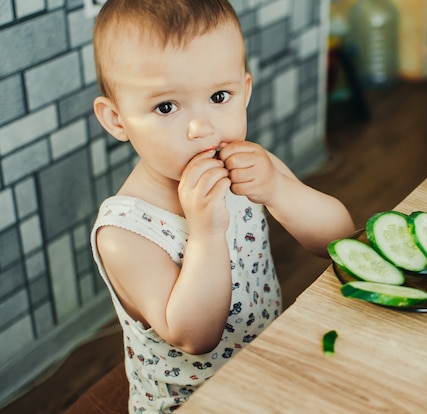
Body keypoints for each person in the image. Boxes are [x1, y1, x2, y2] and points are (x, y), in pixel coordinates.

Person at [89, 0, 355, 412]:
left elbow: (339, 240)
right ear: (117, 119)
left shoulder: (249, 166)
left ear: (244, 92)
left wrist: (279, 191)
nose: (202, 127)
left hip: (266, 367)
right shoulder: (124, 232)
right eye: (166, 106)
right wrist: (206, 232)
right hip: (193, 401)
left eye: (219, 96)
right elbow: (195, 336)